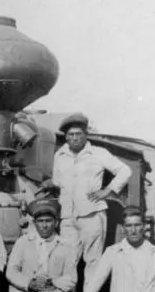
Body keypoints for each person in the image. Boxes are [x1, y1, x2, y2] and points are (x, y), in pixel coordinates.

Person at [47, 113, 132, 282]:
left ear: (86, 135)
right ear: (66, 137)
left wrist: (107, 190)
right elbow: (58, 181)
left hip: (91, 214)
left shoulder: (98, 153)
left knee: (93, 262)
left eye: (79, 134)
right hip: (67, 218)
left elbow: (125, 171)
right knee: (66, 262)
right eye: (71, 135)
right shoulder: (60, 155)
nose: (75, 138)